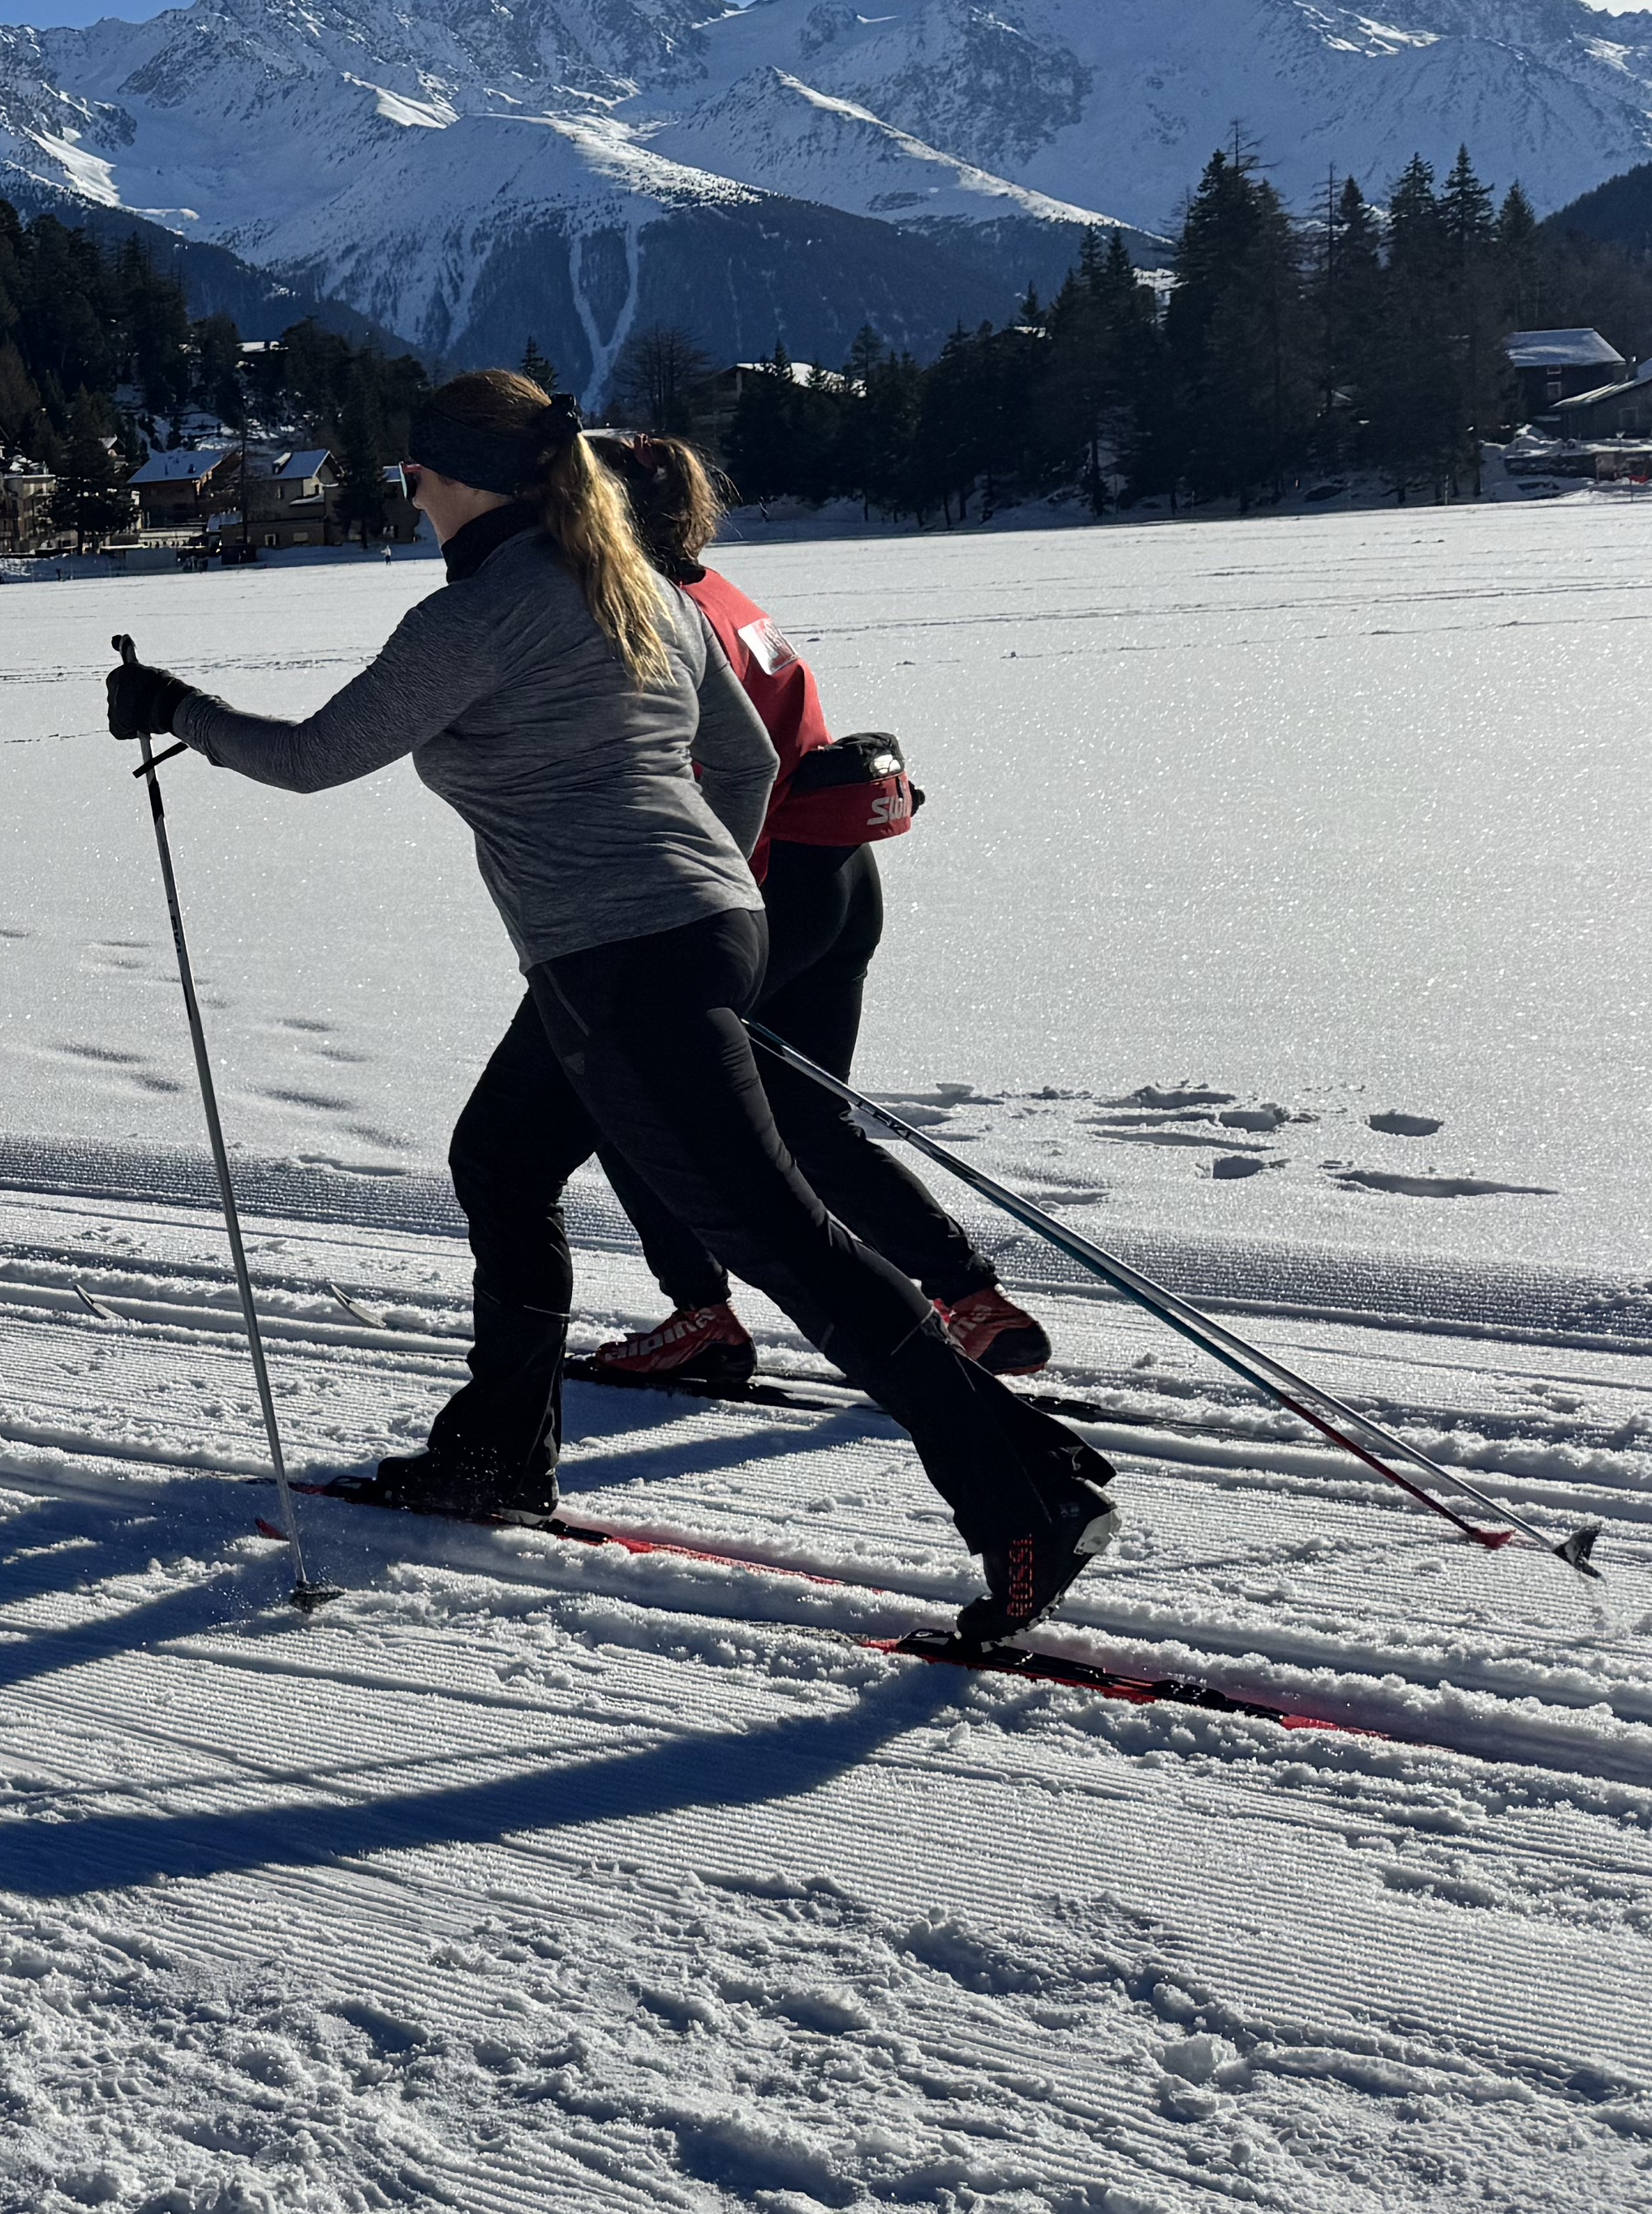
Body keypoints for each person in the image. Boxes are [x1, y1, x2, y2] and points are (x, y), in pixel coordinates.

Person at [105, 369, 1116, 1644]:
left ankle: (1026, 1501)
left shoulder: (473, 618)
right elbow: (747, 760)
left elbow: (311, 759)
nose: (406, 495)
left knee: (786, 1241)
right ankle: (497, 1457)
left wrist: (173, 710)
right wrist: (697, 893)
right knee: (505, 1158)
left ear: (458, 476)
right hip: (691, 932)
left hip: (624, 956)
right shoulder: (635, 587)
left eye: (411, 474)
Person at [574, 436, 1048, 1399]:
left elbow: (699, 774)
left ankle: (702, 1315)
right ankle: (970, 1300)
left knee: (626, 1089)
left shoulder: (646, 614)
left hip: (762, 884)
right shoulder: (720, 593)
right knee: (808, 1118)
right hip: (836, 874)